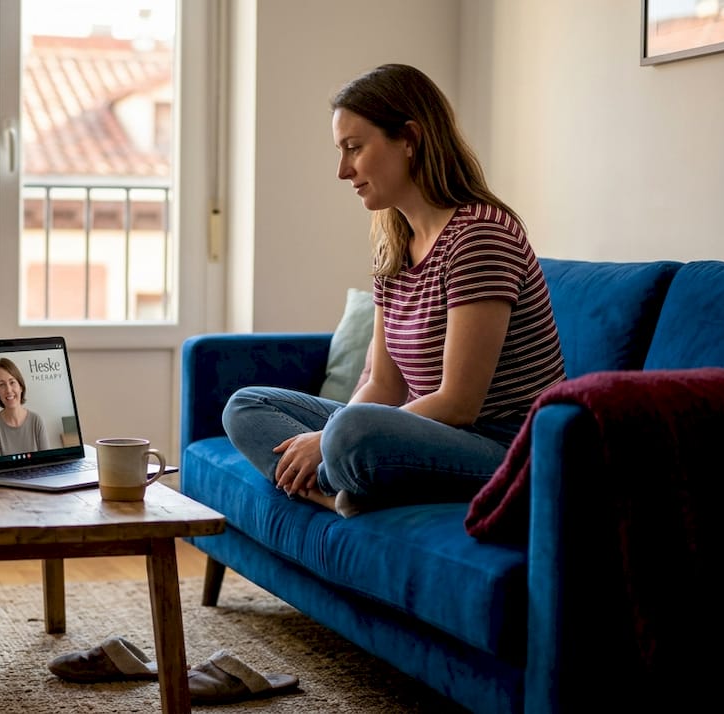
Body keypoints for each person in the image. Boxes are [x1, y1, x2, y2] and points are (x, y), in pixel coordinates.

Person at [222, 64, 565, 517]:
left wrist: (328, 441)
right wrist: (331, 438)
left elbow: (459, 403)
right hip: (423, 433)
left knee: (352, 434)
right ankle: (337, 493)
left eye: (354, 148)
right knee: (247, 405)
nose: (343, 170)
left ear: (409, 139)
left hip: (503, 450)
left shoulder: (480, 236)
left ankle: (345, 480)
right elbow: (383, 384)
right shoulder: (396, 243)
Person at [0, 357, 51, 457]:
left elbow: (47, 461)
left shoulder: (36, 420)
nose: (8, 390)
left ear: (20, 386)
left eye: (12, 382)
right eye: (2, 385)